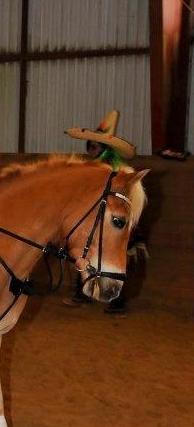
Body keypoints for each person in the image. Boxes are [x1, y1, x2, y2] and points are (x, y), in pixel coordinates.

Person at [64, 110, 145, 314]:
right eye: (90, 145)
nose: (91, 149)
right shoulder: (96, 167)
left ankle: (116, 302)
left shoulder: (113, 169)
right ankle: (83, 293)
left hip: (113, 220)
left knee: (115, 258)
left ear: (104, 147)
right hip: (100, 219)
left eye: (95, 145)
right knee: (85, 253)